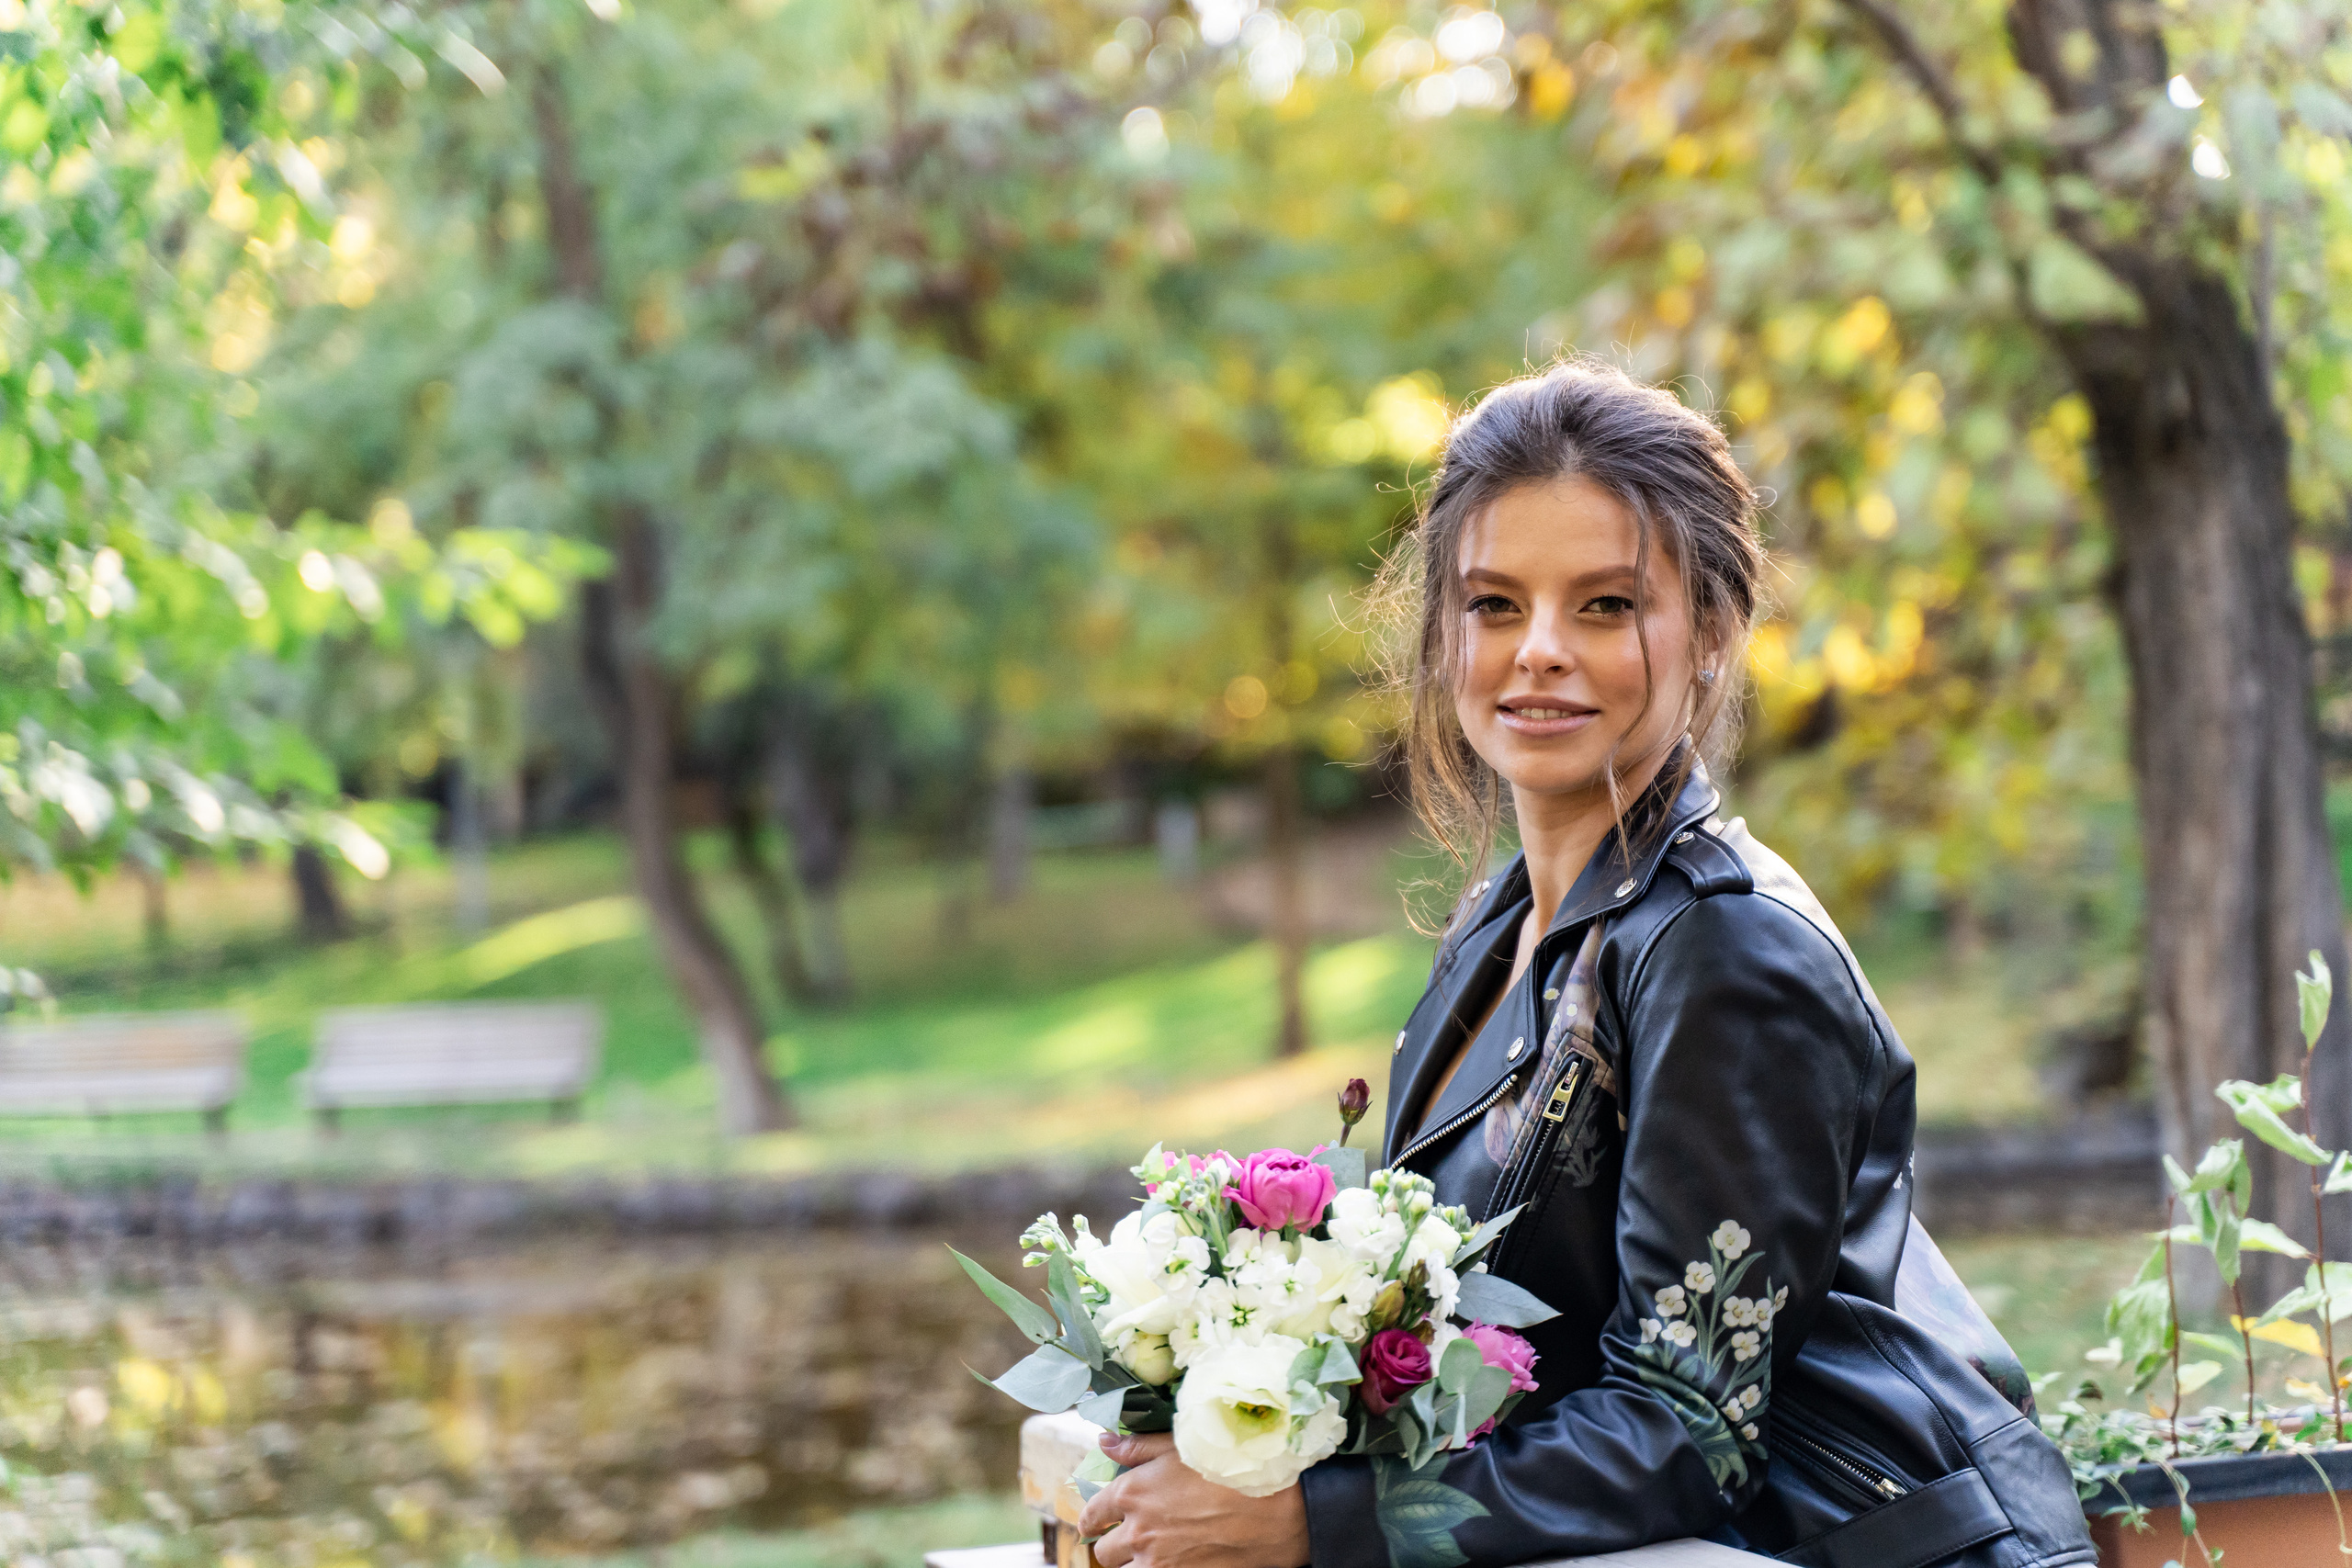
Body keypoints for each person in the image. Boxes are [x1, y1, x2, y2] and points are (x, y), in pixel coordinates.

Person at [1076, 360, 2091, 1568]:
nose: (1538, 650)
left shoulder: (1726, 950)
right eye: (1494, 605)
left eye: (1606, 606)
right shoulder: (1500, 927)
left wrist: (1317, 1524)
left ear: (1710, 631)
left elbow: (1686, 1425)